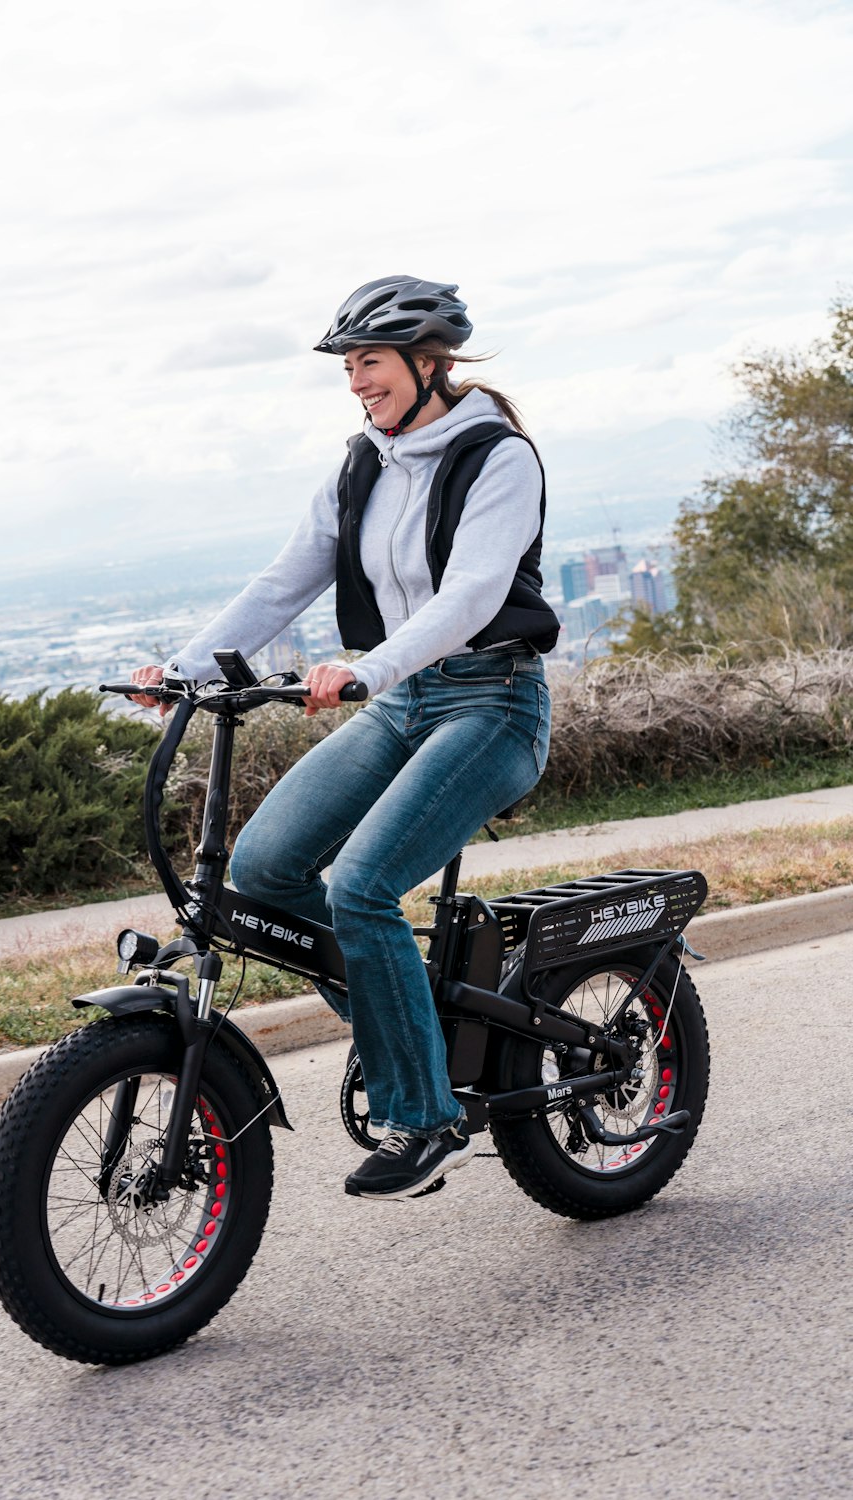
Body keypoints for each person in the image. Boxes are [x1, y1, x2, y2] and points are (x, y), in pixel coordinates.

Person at [130, 275, 559, 1201]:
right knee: (270, 869)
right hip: (404, 703)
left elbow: (473, 596)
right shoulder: (360, 463)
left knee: (361, 888)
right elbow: (285, 581)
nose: (357, 381)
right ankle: (411, 1040)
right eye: (350, 366)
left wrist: (371, 669)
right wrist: (185, 669)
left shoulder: (498, 456)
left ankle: (427, 1117)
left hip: (492, 703)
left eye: (371, 363)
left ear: (429, 361)